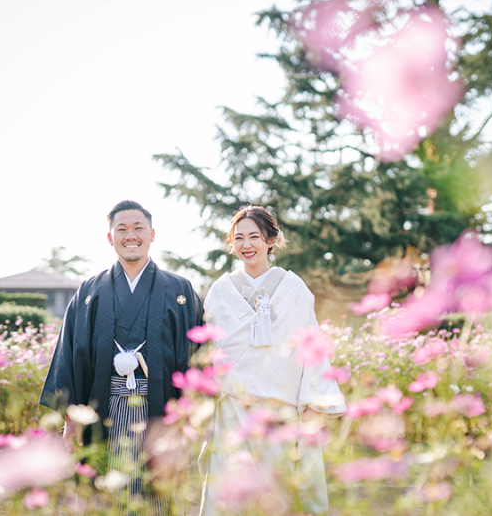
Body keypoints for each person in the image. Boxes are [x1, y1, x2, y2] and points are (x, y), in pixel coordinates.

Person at [39, 200, 204, 513]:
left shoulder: (180, 289)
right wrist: (70, 420)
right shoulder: (89, 291)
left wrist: (190, 414)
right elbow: (69, 355)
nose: (131, 235)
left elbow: (196, 357)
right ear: (110, 237)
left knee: (158, 492)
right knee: (106, 490)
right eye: (122, 229)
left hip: (161, 411)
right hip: (105, 405)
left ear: (152, 234)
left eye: (138, 228)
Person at [199, 206, 346, 516]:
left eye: (255, 236)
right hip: (233, 410)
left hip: (282, 410)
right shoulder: (220, 291)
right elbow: (211, 352)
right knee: (233, 496)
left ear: (271, 240)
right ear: (232, 244)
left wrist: (312, 403)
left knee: (281, 495)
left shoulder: (294, 288)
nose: (246, 244)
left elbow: (311, 345)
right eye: (239, 238)